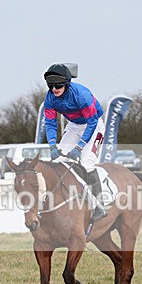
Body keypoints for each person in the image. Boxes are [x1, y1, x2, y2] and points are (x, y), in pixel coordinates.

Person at [43, 63, 107, 220]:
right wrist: (52, 146)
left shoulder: (81, 95)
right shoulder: (50, 98)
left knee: (86, 162)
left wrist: (79, 147)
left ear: (66, 83)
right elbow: (50, 123)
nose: (54, 89)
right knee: (59, 160)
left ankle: (100, 204)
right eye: (50, 85)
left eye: (58, 85)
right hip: (74, 126)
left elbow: (92, 122)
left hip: (93, 124)